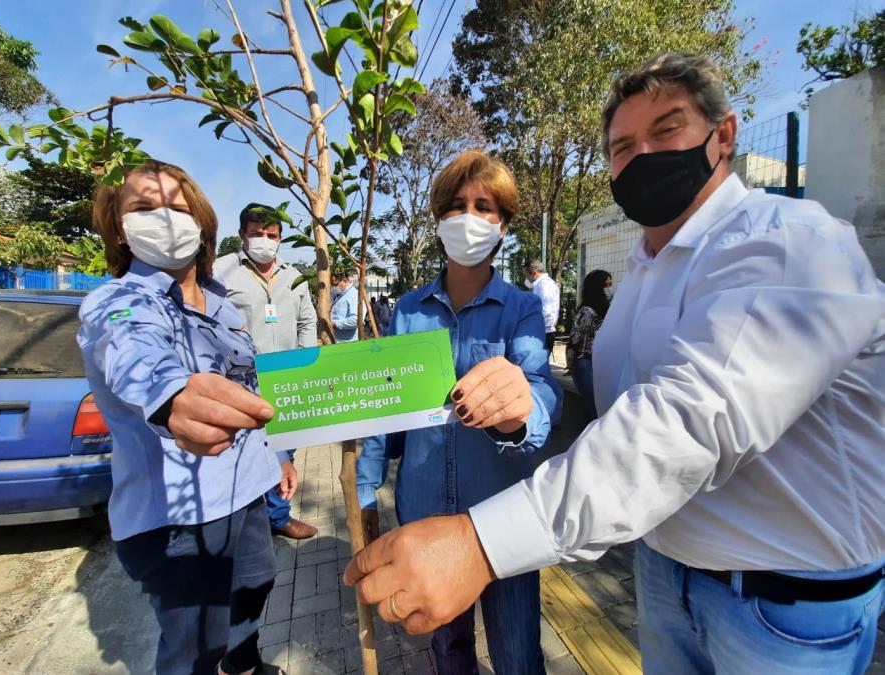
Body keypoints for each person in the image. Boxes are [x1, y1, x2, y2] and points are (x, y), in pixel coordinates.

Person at [342, 52, 885, 674]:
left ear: (724, 135)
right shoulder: (643, 274)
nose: (643, 156)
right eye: (623, 145)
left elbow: (682, 422)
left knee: (518, 654)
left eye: (666, 129)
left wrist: (485, 534)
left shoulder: (788, 243)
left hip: (778, 608)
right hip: (663, 574)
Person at [355, 150, 563, 675]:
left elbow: (540, 389)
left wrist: (522, 409)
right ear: (438, 218)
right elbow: (384, 412)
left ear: (503, 224)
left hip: (506, 518)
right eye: (456, 205)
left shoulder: (522, 309)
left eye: (484, 206)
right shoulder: (406, 311)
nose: (468, 217)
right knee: (447, 652)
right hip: (423, 514)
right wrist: (364, 491)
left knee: (518, 654)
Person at [78, 160, 287, 675]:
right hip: (180, 518)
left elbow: (248, 384)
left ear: (201, 222)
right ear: (121, 230)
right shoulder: (117, 302)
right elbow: (135, 355)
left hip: (248, 491)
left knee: (252, 601)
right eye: (146, 208)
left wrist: (276, 454)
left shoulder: (222, 303)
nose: (167, 218)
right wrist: (174, 397)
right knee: (194, 650)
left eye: (178, 206)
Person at [214, 202, 319, 540]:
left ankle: (276, 516)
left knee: (286, 447)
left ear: (280, 237)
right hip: (242, 381)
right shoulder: (220, 272)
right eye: (257, 234)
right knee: (249, 449)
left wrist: (307, 363)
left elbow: (307, 321)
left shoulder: (294, 276)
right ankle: (255, 517)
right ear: (242, 235)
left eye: (271, 235)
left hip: (288, 376)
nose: (264, 240)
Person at [565, 270, 612, 423]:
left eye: (610, 284)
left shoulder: (607, 309)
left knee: (597, 408)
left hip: (598, 364)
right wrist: (571, 365)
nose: (610, 288)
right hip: (585, 363)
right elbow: (574, 342)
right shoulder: (587, 312)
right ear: (596, 287)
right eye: (606, 285)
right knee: (596, 408)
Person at [522, 259, 560, 354]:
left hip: (541, 333)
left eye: (526, 275)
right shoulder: (542, 284)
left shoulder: (544, 286)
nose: (526, 278)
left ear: (533, 272)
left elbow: (545, 312)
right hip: (542, 332)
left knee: (536, 365)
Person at [331, 269, 358, 342]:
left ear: (344, 281)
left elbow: (356, 320)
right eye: (331, 285)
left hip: (347, 343)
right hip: (334, 341)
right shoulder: (335, 294)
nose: (333, 287)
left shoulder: (354, 295)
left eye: (335, 284)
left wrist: (335, 323)